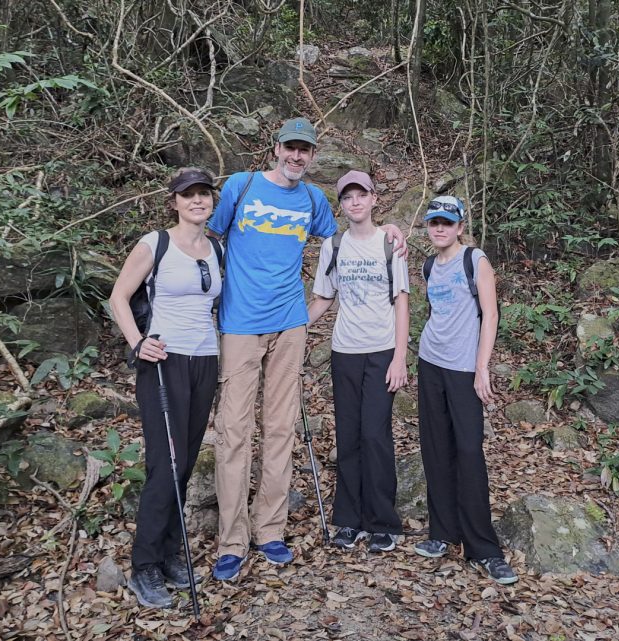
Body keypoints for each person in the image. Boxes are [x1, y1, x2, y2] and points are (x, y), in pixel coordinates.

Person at [206, 117, 406, 581]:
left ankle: (269, 531)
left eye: (305, 150)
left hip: (290, 327)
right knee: (234, 431)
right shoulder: (242, 186)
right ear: (275, 148)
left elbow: (355, 230)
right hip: (239, 325)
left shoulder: (315, 201)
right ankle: (231, 541)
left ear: (313, 156)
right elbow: (208, 238)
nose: (296, 156)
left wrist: (393, 226)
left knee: (280, 430)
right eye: (290, 147)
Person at [108, 167, 223, 608]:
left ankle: (171, 552)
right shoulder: (154, 244)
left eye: (203, 195)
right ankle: (144, 566)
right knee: (166, 462)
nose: (197, 201)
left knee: (188, 459)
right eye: (188, 195)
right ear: (174, 202)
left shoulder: (215, 248)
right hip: (163, 362)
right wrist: (138, 344)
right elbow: (119, 297)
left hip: (203, 360)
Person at [412, 195, 518, 585]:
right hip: (430, 363)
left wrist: (481, 367)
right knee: (436, 448)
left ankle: (484, 548)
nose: (439, 228)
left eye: (446, 222)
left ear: (459, 226)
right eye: (433, 222)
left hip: (462, 369)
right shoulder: (428, 266)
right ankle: (442, 532)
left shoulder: (475, 261)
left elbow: (490, 314)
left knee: (469, 451)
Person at [307, 170, 408, 553]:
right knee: (348, 436)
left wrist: (400, 357)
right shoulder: (333, 246)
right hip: (344, 351)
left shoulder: (390, 245)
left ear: (373, 199)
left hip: (381, 351)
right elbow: (322, 299)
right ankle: (348, 520)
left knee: (375, 435)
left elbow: (401, 301)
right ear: (342, 205)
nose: (355, 202)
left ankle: (383, 521)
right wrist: (291, 328)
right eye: (347, 197)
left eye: (361, 195)